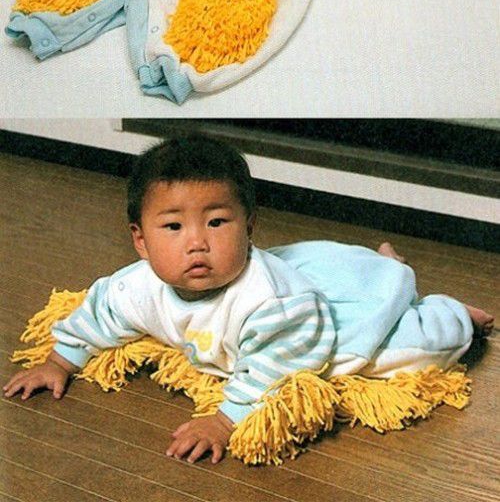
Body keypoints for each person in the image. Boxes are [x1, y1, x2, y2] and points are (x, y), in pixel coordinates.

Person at [3, 134, 494, 465]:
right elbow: (100, 311)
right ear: (140, 240)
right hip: (306, 282)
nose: (197, 242)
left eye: (217, 222)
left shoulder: (272, 301)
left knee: (404, 352)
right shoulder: (137, 284)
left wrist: (224, 417)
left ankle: (449, 311)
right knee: (368, 271)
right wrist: (59, 361)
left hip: (327, 322)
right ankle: (390, 264)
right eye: (173, 227)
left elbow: (278, 363)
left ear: (249, 227)